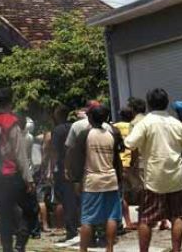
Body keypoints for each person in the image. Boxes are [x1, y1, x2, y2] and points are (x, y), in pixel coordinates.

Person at [125, 88, 182, 252]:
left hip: (154, 177)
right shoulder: (177, 123)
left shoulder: (145, 123)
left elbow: (130, 143)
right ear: (167, 103)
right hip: (177, 175)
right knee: (177, 216)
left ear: (148, 104)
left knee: (146, 218)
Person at [0, 87, 36, 252]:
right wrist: (29, 179)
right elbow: (19, 154)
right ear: (11, 102)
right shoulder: (11, 122)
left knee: (5, 214)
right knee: (31, 209)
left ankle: (7, 248)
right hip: (11, 174)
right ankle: (20, 244)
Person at [71, 105, 123, 252]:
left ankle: (83, 250)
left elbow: (78, 159)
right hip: (111, 180)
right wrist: (119, 179)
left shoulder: (85, 134)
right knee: (112, 217)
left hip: (92, 182)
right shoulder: (111, 135)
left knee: (87, 219)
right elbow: (116, 161)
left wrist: (76, 180)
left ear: (90, 118)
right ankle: (110, 248)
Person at [51, 105, 77, 243]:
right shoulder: (73, 127)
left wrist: (52, 169)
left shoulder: (57, 130)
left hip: (61, 167)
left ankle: (71, 230)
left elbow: (54, 151)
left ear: (58, 115)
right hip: (74, 166)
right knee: (73, 198)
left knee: (66, 200)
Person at [113, 106, 135, 230]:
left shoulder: (115, 128)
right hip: (131, 163)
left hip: (119, 164)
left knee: (121, 195)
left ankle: (125, 221)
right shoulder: (133, 127)